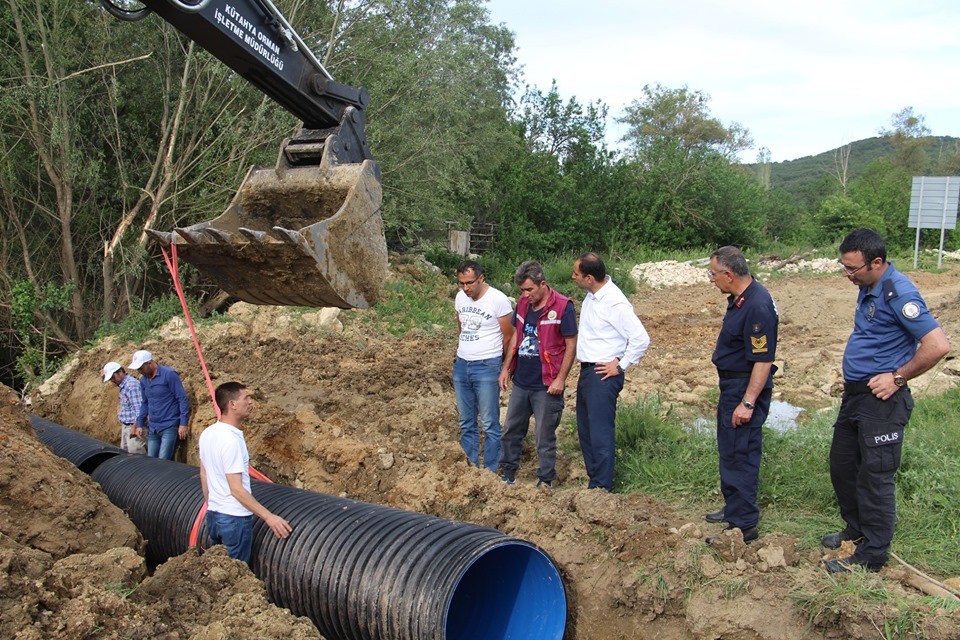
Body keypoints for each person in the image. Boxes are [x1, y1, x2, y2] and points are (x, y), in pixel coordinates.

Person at [823, 228, 950, 573]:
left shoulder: (900, 292)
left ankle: (873, 554)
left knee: (875, 477)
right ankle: (857, 529)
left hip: (881, 403)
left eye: (852, 269)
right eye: (843, 267)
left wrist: (898, 377)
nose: (846, 275)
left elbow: (938, 345)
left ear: (876, 263)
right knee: (843, 466)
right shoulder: (869, 286)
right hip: (856, 398)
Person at [704, 247, 779, 545]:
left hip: (744, 386)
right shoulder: (741, 299)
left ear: (729, 275)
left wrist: (747, 402)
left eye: (713, 274)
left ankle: (743, 525)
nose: (711, 280)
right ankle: (733, 508)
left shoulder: (757, 305)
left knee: (741, 453)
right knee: (730, 449)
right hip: (732, 384)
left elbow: (763, 360)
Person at [571, 252, 650, 491]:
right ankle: (594, 482)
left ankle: (602, 488)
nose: (572, 277)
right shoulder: (592, 295)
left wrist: (621, 364)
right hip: (588, 370)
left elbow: (641, 338)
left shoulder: (614, 302)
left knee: (600, 432)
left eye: (576, 273)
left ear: (589, 278)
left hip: (602, 374)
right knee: (585, 429)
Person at [498, 261, 578, 489]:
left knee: (545, 436)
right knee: (511, 429)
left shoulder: (563, 307)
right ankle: (508, 473)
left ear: (543, 284)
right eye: (522, 290)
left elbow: (570, 344)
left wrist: (560, 379)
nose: (525, 295)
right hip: (522, 380)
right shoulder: (523, 304)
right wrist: (506, 368)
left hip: (546, 382)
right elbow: (516, 336)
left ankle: (545, 480)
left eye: (529, 289)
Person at [199, 382, 292, 563]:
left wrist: (211, 504)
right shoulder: (231, 440)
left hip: (214, 516)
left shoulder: (208, 434)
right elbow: (237, 489)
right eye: (246, 398)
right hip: (234, 520)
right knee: (235, 576)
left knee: (218, 569)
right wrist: (269, 517)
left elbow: (204, 474)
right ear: (232, 404)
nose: (250, 402)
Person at [454, 260, 514, 472]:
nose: (465, 288)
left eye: (470, 282)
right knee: (466, 421)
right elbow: (461, 326)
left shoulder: (498, 300)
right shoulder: (460, 298)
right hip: (462, 364)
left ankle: (491, 470)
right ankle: (470, 469)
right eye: (461, 283)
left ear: (481, 278)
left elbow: (509, 336)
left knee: (489, 423)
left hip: (487, 365)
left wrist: (505, 367)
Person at [129, 349, 190, 461]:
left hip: (170, 425)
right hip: (154, 427)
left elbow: (182, 398)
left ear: (149, 363)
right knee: (152, 460)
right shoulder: (144, 381)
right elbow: (145, 403)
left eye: (141, 368)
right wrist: (139, 424)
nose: (139, 371)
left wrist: (183, 423)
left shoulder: (169, 375)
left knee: (163, 461)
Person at [102, 361, 147, 455]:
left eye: (112, 377)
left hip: (134, 426)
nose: (112, 381)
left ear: (120, 372)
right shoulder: (124, 386)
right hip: (127, 426)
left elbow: (139, 409)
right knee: (126, 454)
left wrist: (135, 427)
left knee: (136, 455)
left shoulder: (131, 385)